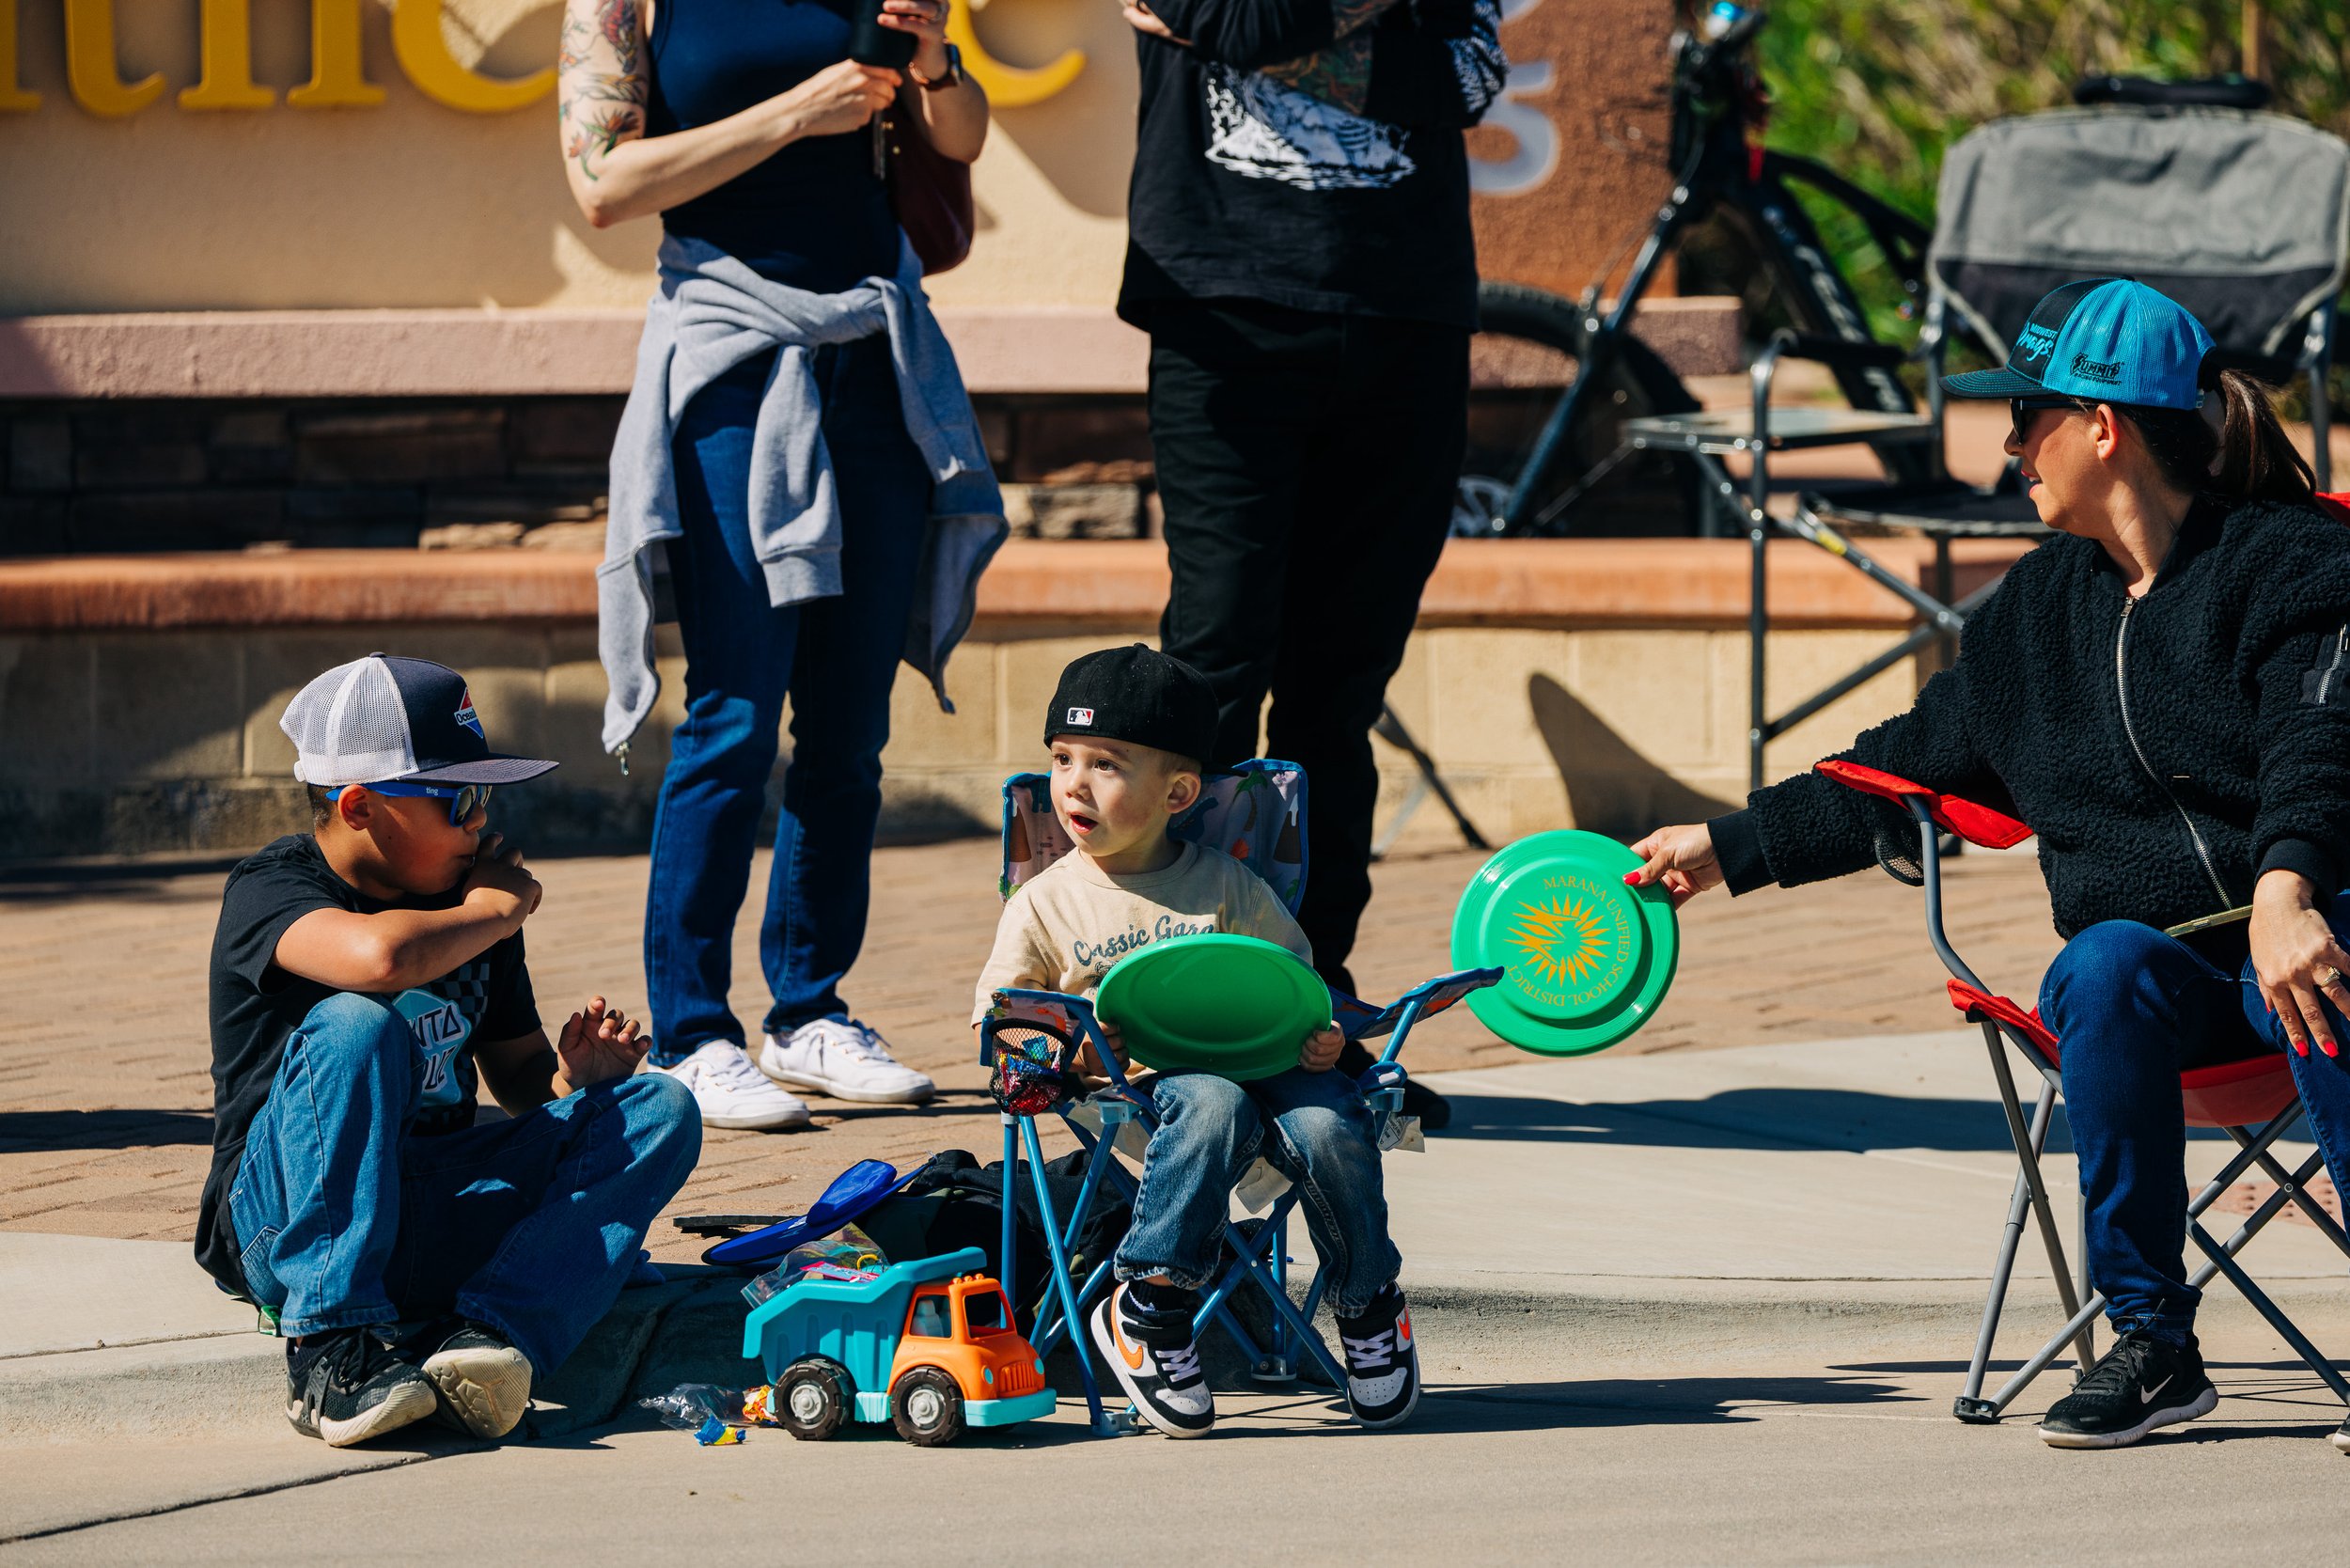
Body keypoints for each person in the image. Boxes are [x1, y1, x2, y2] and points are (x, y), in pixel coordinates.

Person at [1627, 279, 2350, 1451]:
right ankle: (2153, 1343)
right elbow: (1909, 765)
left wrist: (2286, 889)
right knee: (2101, 967)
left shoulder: (2291, 559)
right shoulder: (2031, 617)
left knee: (2322, 966)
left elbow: (2321, 737)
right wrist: (1730, 849)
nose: (2009, 443)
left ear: (2103, 426)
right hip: (2173, 997)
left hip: (2316, 939)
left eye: (2029, 414)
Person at [563, 0, 1007, 1131]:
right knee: (732, 715)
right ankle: (692, 1031)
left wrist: (935, 61)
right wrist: (795, 113)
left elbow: (956, 141)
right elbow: (605, 186)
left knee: (850, 727)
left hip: (875, 355)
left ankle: (808, 1010)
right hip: (731, 361)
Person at [1115, 0, 1504, 1133]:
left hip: (1404, 314)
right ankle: (1188, 1010)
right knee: (1215, 672)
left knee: (1338, 698)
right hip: (1222, 304)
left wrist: (1251, 25)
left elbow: (1467, 83)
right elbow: (1210, 17)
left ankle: (1310, 1016)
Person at [199, 655, 700, 1448]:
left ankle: (494, 1342)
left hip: (426, 1212)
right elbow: (379, 962)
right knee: (359, 1025)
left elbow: (521, 1080)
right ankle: (329, 1352)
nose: (478, 822)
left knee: (661, 1108)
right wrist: (497, 909)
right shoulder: (273, 888)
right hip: (285, 1220)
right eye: (457, 797)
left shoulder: (468, 910)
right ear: (360, 805)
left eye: (487, 797)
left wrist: (577, 1080)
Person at [972, 644, 1419, 1436]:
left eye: (1106, 764)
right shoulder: (1044, 904)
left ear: (1179, 791)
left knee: (1331, 1121)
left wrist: (1320, 1042)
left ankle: (1368, 1301)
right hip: (1142, 1089)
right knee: (1209, 1100)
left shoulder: (1228, 885)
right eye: (1062, 758)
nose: (1074, 782)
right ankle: (1153, 1303)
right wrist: (1067, 1052)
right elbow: (1002, 1021)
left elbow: (1296, 989)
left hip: (1270, 1067)